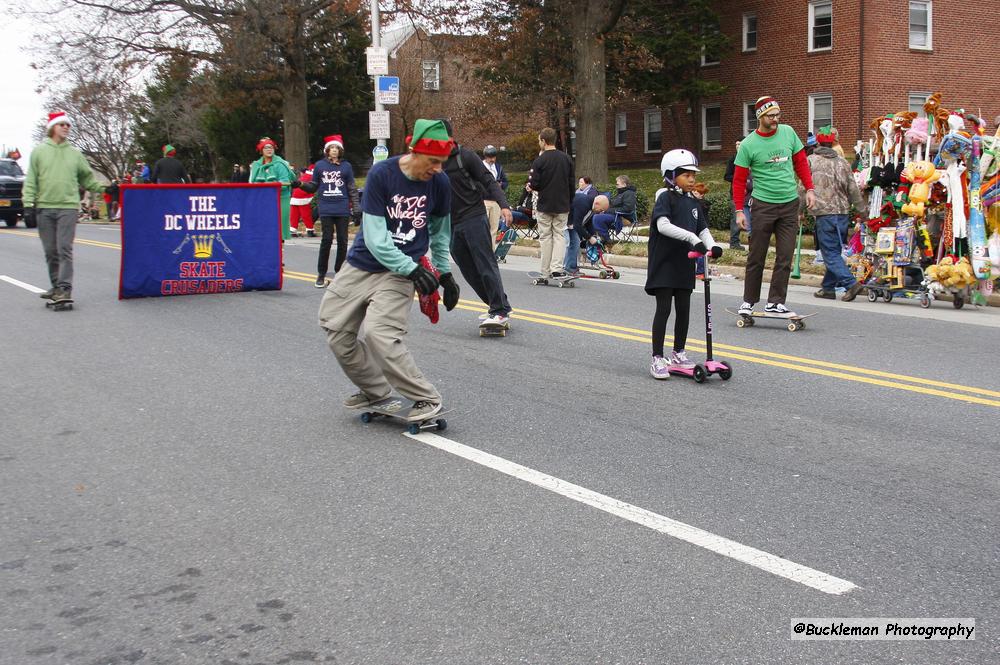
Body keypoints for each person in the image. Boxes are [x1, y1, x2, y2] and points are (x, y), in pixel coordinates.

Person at [317, 119, 458, 421]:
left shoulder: (440, 183)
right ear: (414, 151)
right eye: (433, 161)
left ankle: (425, 397)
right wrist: (411, 269)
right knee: (335, 331)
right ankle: (376, 390)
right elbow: (376, 238)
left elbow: (440, 232)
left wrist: (445, 273)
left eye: (442, 163)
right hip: (364, 264)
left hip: (400, 274)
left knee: (380, 334)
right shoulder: (382, 175)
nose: (437, 169)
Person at [732, 96, 816, 317]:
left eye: (778, 115)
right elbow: (739, 180)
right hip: (763, 205)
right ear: (760, 116)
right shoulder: (749, 144)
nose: (776, 119)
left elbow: (800, 163)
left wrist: (810, 189)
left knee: (785, 256)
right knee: (756, 256)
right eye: (771, 115)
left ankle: (776, 302)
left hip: (789, 204)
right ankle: (749, 301)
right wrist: (739, 210)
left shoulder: (788, 133)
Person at [646, 149, 722, 380]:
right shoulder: (665, 198)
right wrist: (692, 240)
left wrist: (712, 245)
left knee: (684, 308)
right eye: (686, 175)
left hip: (684, 263)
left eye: (693, 175)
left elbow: (703, 229)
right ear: (670, 175)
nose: (692, 179)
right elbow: (662, 225)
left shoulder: (692, 203)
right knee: (664, 308)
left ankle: (678, 352)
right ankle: (657, 358)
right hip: (664, 261)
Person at [22, 111, 107, 305]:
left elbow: (87, 178)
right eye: (62, 124)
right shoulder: (39, 152)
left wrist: (104, 189)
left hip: (68, 208)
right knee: (50, 250)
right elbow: (31, 180)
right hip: (44, 207)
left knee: (64, 248)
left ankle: (65, 289)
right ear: (52, 127)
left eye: (68, 125)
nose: (66, 127)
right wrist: (28, 205)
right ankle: (56, 287)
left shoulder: (75, 154)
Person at [437, 122, 515, 329]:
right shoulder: (433, 161)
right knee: (468, 269)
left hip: (473, 216)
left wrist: (504, 206)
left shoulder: (465, 156)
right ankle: (497, 305)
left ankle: (499, 311)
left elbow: (489, 181)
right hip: (451, 223)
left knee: (485, 264)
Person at [807, 126, 865, 301]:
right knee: (833, 250)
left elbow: (803, 187)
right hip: (842, 213)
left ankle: (851, 283)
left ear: (817, 142)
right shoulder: (842, 162)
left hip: (824, 213)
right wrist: (862, 211)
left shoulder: (811, 161)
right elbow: (853, 189)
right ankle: (828, 288)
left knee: (829, 253)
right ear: (833, 142)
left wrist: (797, 211)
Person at [310, 134, 360, 286]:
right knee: (326, 240)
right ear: (327, 150)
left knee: (343, 241)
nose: (334, 151)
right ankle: (321, 274)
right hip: (326, 207)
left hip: (342, 207)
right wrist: (299, 184)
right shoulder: (320, 166)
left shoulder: (346, 167)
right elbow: (313, 185)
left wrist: (357, 207)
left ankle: (339, 272)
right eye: (331, 148)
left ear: (340, 151)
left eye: (336, 148)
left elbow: (352, 188)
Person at [527, 127, 575, 279]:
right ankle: (557, 268)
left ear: (543, 141)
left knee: (546, 237)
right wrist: (569, 201)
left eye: (539, 140)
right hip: (562, 204)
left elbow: (534, 184)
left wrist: (532, 186)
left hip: (545, 204)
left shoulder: (540, 160)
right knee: (560, 235)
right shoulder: (566, 159)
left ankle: (545, 270)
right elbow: (571, 183)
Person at [249, 137, 296, 241]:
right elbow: (252, 182)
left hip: (280, 198)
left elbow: (285, 182)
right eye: (266, 148)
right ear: (261, 150)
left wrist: (268, 186)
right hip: (262, 200)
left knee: (279, 229)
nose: (269, 150)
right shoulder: (256, 165)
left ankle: (280, 254)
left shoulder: (280, 164)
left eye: (271, 147)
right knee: (264, 228)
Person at [724, 139, 752, 250]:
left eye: (740, 144)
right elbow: (726, 176)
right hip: (736, 194)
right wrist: (739, 180)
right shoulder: (732, 160)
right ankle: (734, 243)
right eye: (736, 144)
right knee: (736, 218)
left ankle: (753, 243)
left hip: (750, 194)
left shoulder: (750, 157)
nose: (737, 146)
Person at [566, 179, 598, 275]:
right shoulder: (584, 203)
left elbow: (587, 223)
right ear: (597, 204)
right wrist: (590, 238)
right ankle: (560, 268)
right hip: (562, 219)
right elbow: (577, 225)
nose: (600, 212)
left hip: (570, 221)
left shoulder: (590, 205)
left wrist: (592, 235)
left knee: (575, 243)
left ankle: (570, 268)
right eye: (600, 210)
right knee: (566, 244)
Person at [591, 174, 637, 239]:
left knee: (597, 218)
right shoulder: (620, 193)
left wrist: (608, 211)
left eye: (617, 184)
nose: (616, 186)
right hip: (615, 216)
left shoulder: (629, 193)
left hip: (622, 218)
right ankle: (595, 238)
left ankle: (606, 240)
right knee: (593, 215)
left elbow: (628, 209)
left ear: (624, 184)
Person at [481, 144, 508, 246]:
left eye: (493, 156)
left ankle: (491, 252)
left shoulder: (498, 167)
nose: (492, 159)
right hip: (484, 200)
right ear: (485, 156)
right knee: (483, 228)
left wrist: (501, 185)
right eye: (489, 157)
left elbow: (505, 182)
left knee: (494, 229)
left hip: (496, 201)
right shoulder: (480, 166)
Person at [289, 165, 315, 237]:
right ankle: (310, 230)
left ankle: (292, 230)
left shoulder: (304, 176)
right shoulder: (313, 177)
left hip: (295, 196)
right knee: (306, 215)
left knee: (294, 215)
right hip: (303, 196)